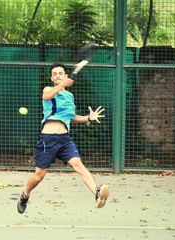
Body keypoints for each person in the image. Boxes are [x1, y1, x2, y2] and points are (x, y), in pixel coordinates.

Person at [17, 63, 109, 214]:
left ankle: (97, 194)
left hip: (64, 139)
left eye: (61, 73)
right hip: (48, 139)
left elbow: (71, 117)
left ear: (66, 76)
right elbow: (47, 95)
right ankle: (25, 194)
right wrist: (61, 85)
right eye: (55, 74)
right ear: (52, 78)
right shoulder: (48, 90)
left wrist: (88, 118)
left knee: (78, 165)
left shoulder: (69, 96)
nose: (58, 75)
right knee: (39, 176)